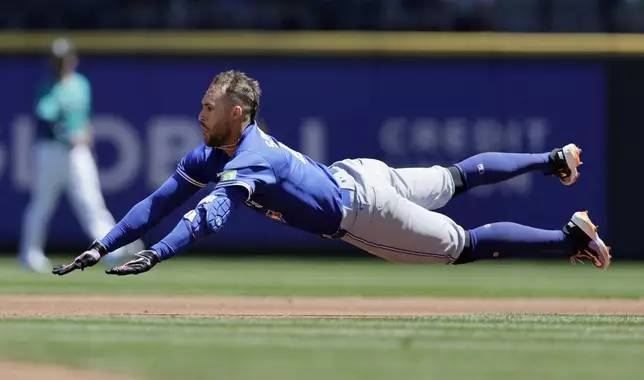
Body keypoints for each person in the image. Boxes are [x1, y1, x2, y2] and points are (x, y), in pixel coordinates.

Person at [52, 70, 611, 277]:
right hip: (359, 175)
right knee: (452, 178)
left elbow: (207, 216)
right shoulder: (211, 155)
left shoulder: (249, 156)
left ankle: (568, 239)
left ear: (237, 113)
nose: (200, 113)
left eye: (208, 106)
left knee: (461, 247)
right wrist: (105, 245)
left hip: (360, 211)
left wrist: (158, 254)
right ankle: (551, 160)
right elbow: (160, 202)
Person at [19, 37, 143, 273]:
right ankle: (29, 254)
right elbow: (44, 119)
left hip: (78, 154)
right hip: (51, 151)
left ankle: (111, 248)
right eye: (57, 59)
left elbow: (83, 118)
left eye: (64, 58)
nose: (61, 63)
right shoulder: (48, 87)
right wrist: (67, 134)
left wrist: (85, 130)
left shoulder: (81, 84)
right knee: (41, 205)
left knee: (91, 202)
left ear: (72, 59)